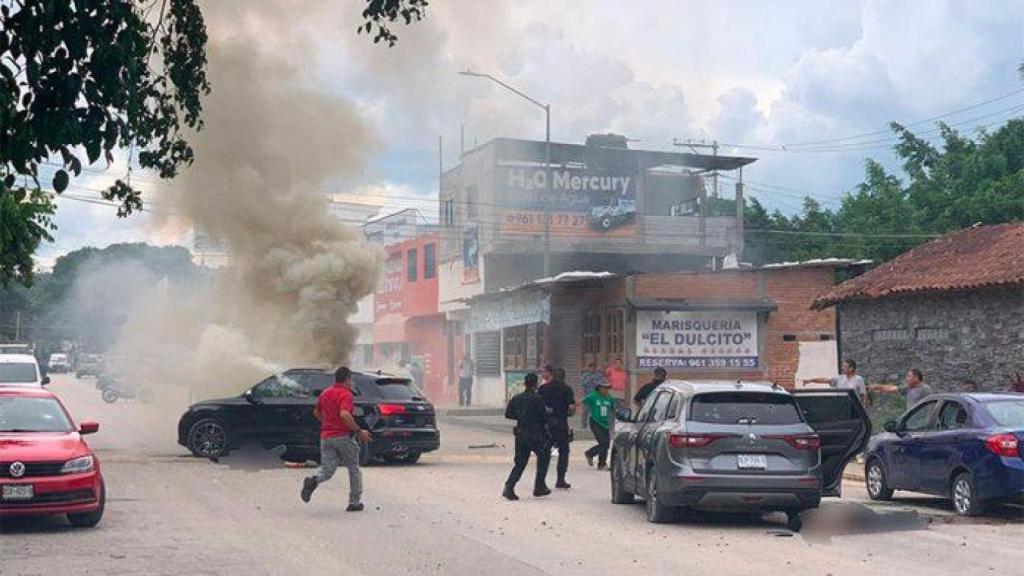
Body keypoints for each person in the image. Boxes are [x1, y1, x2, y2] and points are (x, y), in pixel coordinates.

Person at [301, 366, 372, 512]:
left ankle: (314, 479)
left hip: (326, 437)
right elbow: (345, 414)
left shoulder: (325, 393)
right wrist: (358, 431)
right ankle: (354, 502)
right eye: (351, 380)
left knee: (327, 470)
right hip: (343, 437)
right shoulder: (346, 395)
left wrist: (328, 424)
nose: (351, 383)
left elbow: (316, 412)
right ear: (347, 379)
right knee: (354, 469)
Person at [502, 372, 552, 500]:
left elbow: (508, 415)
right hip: (536, 434)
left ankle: (509, 486)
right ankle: (539, 486)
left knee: (520, 463)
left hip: (521, 433)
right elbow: (544, 417)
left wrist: (521, 416)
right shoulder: (538, 399)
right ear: (536, 384)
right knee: (544, 457)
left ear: (525, 384)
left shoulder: (516, 398)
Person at [539, 365, 575, 489]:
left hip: (546, 424)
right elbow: (571, 409)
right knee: (564, 451)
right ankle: (560, 479)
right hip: (561, 423)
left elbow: (539, 406)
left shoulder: (543, 388)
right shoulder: (567, 389)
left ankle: (541, 480)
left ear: (552, 375)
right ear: (564, 377)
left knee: (544, 451)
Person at [804, 359, 868, 405]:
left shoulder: (859, 379)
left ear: (851, 368)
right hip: (841, 405)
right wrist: (811, 380)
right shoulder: (840, 378)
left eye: (845, 367)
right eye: (843, 366)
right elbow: (826, 380)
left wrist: (862, 408)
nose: (843, 368)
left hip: (853, 406)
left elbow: (863, 395)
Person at [582, 381, 614, 469]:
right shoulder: (593, 396)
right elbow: (583, 402)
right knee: (603, 443)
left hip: (605, 424)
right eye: (604, 388)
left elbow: (613, 409)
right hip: (595, 422)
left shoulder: (609, 398)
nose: (606, 390)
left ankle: (601, 464)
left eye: (608, 388)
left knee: (606, 445)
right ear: (599, 388)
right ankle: (591, 454)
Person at [868, 368, 935, 408]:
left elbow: (930, 407)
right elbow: (892, 388)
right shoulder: (908, 388)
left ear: (916, 378)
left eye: (909, 376)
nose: (907, 379)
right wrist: (878, 387)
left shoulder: (925, 389)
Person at [578, 360, 606, 427]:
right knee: (585, 411)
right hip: (587, 395)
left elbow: (602, 383)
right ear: (589, 368)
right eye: (591, 367)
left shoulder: (599, 375)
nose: (592, 369)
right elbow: (582, 383)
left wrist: (595, 381)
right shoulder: (585, 375)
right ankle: (584, 425)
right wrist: (589, 380)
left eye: (594, 367)